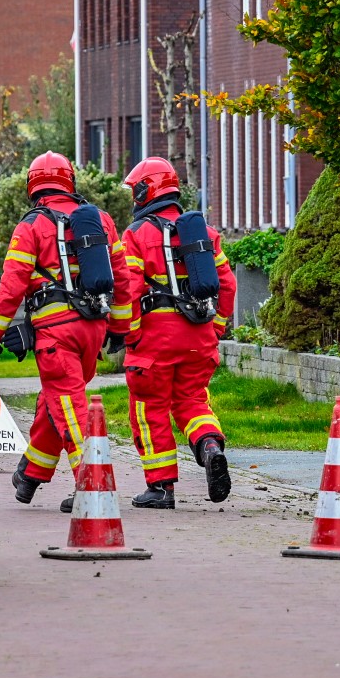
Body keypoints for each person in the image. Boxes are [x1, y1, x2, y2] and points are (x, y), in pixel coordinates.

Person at [0, 151, 137, 505]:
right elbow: (122, 278)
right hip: (93, 329)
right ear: (70, 182)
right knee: (57, 400)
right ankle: (30, 474)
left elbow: (12, 286)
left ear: (32, 186)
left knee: (69, 406)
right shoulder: (101, 221)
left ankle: (92, 484)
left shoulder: (31, 226)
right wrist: (119, 328)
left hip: (56, 334)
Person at [108, 156, 236, 510]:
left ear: (147, 191)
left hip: (155, 340)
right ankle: (210, 446)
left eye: (136, 190)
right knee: (193, 402)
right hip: (200, 337)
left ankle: (161, 487)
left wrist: (129, 334)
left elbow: (129, 289)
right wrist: (218, 326)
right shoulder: (205, 233)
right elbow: (227, 282)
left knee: (150, 409)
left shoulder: (137, 235)